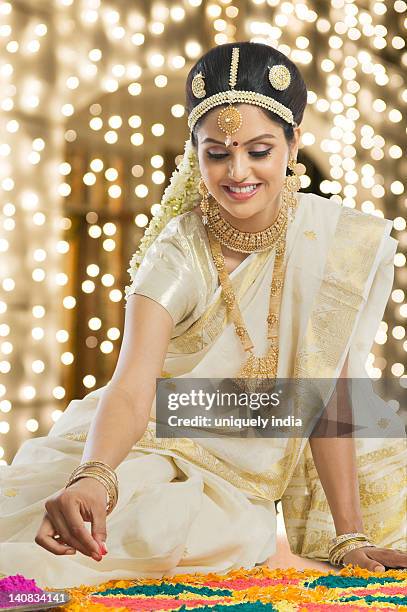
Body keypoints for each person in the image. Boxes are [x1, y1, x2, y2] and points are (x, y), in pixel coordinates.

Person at [0, 42, 406, 589]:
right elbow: (131, 388)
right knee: (136, 522)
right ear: (196, 154)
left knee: (372, 463)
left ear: (293, 144)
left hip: (259, 464)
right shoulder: (180, 250)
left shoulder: (334, 238)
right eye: (217, 153)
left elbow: (325, 387)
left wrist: (349, 535)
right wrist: (95, 476)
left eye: (259, 151)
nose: (237, 172)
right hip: (161, 440)